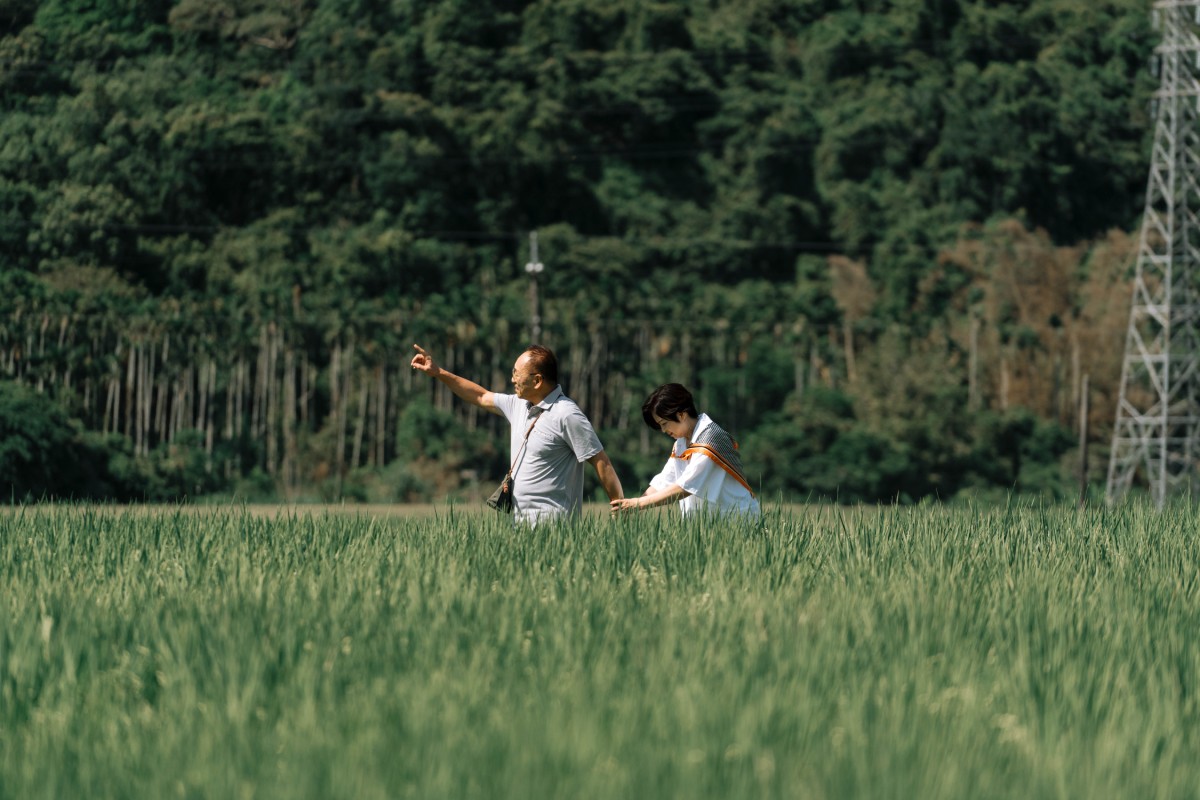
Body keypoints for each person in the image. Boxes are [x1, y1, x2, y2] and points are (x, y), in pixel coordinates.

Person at [409, 343, 624, 523]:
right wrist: (439, 373)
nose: (512, 379)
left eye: (516, 373)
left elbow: (601, 462)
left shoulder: (567, 414)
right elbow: (480, 396)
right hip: (519, 528)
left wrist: (620, 511)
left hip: (556, 529)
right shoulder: (519, 405)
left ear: (537, 381)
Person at [610, 383, 760, 517]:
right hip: (710, 524)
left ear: (681, 414)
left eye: (664, 423)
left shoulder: (709, 438)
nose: (663, 430)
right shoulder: (681, 443)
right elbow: (665, 481)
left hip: (738, 519)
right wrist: (631, 506)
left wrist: (638, 504)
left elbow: (685, 487)